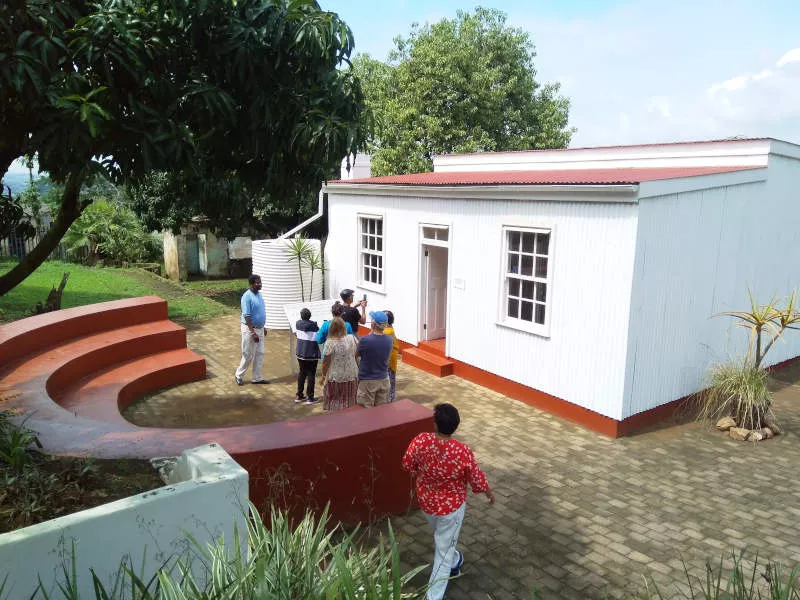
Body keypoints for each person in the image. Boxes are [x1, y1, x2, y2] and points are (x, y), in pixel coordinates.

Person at [402, 403, 495, 600]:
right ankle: (433, 596)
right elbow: (477, 479)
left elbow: (407, 464)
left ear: (435, 424)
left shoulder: (421, 441)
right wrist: (488, 493)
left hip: (427, 503)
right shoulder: (462, 451)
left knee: (443, 539)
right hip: (450, 509)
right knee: (442, 551)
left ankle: (455, 560)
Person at [234, 274, 269, 385]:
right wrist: (252, 332)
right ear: (251, 284)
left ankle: (257, 377)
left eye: (260, 282)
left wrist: (263, 326)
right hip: (250, 329)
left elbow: (259, 312)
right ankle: (238, 375)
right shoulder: (246, 296)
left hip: (260, 328)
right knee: (248, 354)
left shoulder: (259, 295)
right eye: (257, 283)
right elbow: (247, 316)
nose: (260, 284)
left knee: (260, 353)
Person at [355, 311, 394, 407]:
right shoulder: (389, 339)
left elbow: (356, 354)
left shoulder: (365, 340)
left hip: (368, 381)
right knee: (380, 413)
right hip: (384, 379)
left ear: (373, 324)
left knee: (365, 413)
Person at [321, 316, 358, 411]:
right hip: (351, 375)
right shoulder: (351, 338)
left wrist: (323, 375)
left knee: (335, 402)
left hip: (335, 377)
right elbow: (357, 353)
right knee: (350, 402)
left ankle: (338, 423)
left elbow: (326, 362)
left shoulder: (329, 342)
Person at [295, 307, 320, 405]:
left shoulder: (298, 323)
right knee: (311, 375)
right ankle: (310, 397)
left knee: (302, 373)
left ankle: (299, 395)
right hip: (311, 354)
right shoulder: (314, 325)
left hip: (300, 353)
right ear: (310, 316)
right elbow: (318, 336)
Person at [384, 310, 400, 402]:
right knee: (390, 380)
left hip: (389, 361)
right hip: (390, 359)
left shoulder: (387, 332)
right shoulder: (389, 328)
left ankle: (390, 401)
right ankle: (390, 399)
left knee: (390, 381)